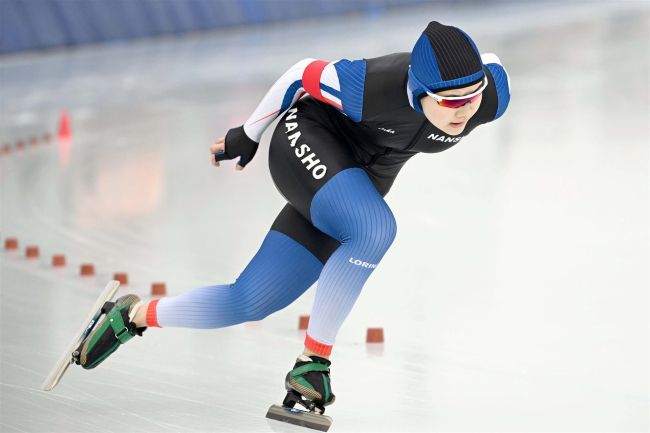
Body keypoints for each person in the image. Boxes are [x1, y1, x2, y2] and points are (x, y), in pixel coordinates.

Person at [75, 21, 510, 415]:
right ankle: (313, 363)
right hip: (307, 141)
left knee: (248, 301)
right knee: (374, 229)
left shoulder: (488, 96)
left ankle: (130, 317)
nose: (464, 110)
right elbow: (301, 73)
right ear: (417, 91)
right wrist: (247, 134)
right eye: (450, 100)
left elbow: (491, 64)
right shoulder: (369, 86)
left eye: (471, 97)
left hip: (359, 180)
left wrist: (474, 83)